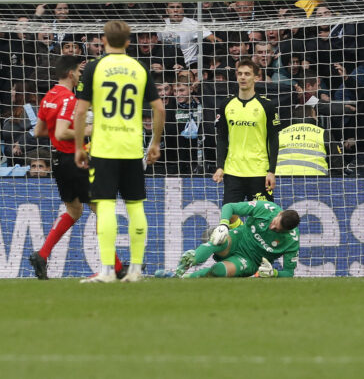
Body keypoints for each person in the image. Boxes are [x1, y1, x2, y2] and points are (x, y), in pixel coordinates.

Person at [73, 20, 165, 283]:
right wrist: (155, 143)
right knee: (136, 206)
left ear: (103, 40)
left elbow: (80, 112)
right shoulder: (139, 67)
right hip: (132, 147)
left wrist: (80, 146)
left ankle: (107, 271)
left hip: (104, 147)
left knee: (105, 206)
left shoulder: (94, 67)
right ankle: (135, 270)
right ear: (128, 41)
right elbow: (159, 109)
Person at [29, 55, 128, 279]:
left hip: (58, 161)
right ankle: (116, 268)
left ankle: (43, 254)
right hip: (75, 160)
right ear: (71, 73)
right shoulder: (67, 99)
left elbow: (39, 132)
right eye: (79, 72)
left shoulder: (49, 97)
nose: (80, 76)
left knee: (75, 210)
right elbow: (63, 131)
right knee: (101, 209)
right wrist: (91, 130)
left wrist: (62, 133)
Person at [156, 199, 300, 278]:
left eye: (278, 230)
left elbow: (288, 273)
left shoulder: (292, 240)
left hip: (250, 261)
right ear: (279, 213)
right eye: (275, 223)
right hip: (238, 238)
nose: (273, 228)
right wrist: (224, 225)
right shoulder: (266, 208)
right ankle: (178, 272)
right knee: (219, 238)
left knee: (219, 271)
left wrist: (273, 273)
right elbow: (230, 207)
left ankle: (185, 280)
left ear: (288, 231)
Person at [213, 58, 280, 227]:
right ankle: (243, 238)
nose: (243, 77)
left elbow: (274, 140)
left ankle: (261, 252)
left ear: (256, 78)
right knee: (229, 216)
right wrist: (220, 166)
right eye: (240, 73)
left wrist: (272, 170)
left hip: (259, 172)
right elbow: (221, 138)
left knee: (263, 220)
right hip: (233, 171)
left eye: (247, 74)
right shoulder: (227, 104)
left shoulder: (267, 106)